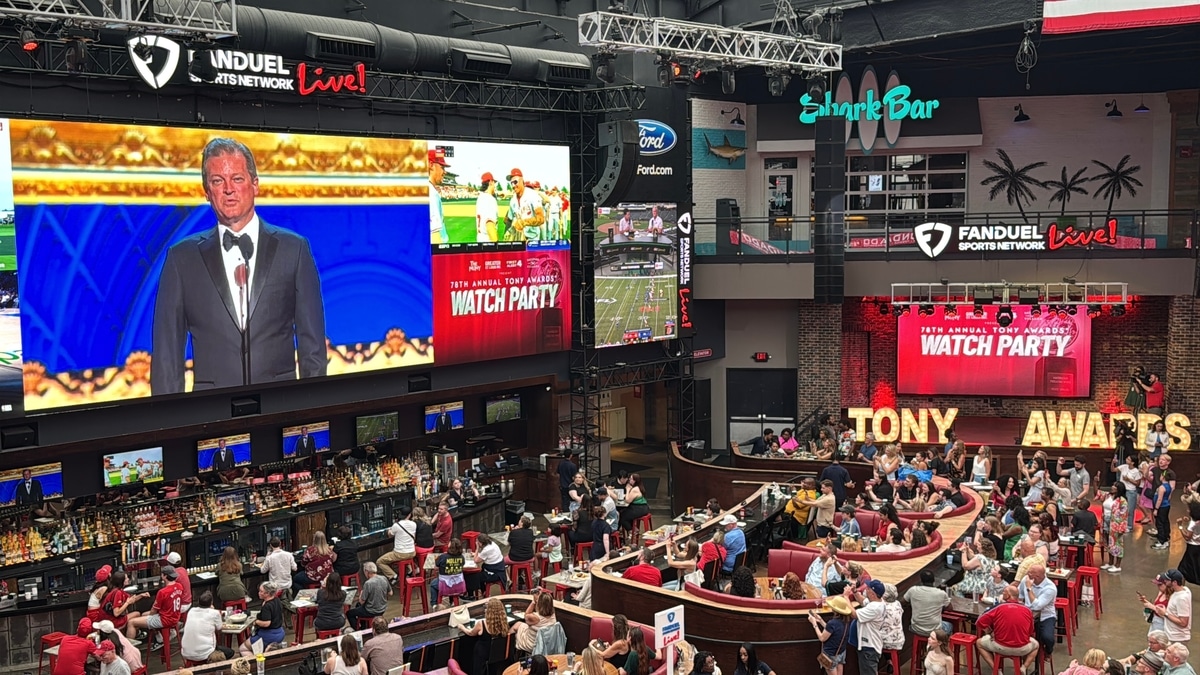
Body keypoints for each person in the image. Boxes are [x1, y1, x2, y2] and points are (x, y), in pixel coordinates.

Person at [152, 137, 325, 394]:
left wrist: (311, 410)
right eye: (217, 181)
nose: (228, 189)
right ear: (207, 192)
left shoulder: (294, 250)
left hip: (280, 405)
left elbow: (313, 349)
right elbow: (166, 357)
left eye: (237, 178)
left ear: (255, 184)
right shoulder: (182, 259)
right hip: (213, 410)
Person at [975, 584, 1039, 673]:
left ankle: (996, 670)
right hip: (1022, 648)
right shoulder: (1028, 610)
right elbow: (1030, 631)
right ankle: (1024, 667)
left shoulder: (998, 607)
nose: (1002, 594)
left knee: (979, 643)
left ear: (1008, 595)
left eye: (1004, 592)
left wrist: (990, 632)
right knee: (1036, 645)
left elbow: (979, 622)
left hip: (1000, 646)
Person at [125, 565, 183, 649]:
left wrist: (149, 617)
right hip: (175, 617)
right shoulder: (179, 586)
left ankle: (128, 650)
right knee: (143, 615)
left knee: (131, 622)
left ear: (164, 576)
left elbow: (153, 610)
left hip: (164, 620)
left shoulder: (162, 592)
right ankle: (161, 635)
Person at [457, 598, 516, 674]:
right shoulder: (503, 623)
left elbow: (470, 633)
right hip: (496, 655)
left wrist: (462, 627)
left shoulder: (481, 624)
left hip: (482, 656)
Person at [181, 591, 235, 663]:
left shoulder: (191, 611)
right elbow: (219, 627)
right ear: (211, 603)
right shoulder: (214, 613)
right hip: (205, 653)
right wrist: (212, 610)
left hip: (186, 652)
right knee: (230, 652)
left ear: (198, 602)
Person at [1019, 564, 1057, 659]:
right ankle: (1021, 653)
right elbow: (1020, 596)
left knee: (1047, 637)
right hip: (1027, 613)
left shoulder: (1050, 588)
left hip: (1045, 616)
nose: (1028, 573)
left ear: (1037, 577)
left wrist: (1029, 588)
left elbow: (1037, 606)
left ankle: (1048, 651)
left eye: (1030, 573)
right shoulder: (1026, 579)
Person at [851, 580, 888, 675]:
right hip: (871, 646)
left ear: (872, 594)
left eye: (868, 588)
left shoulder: (875, 608)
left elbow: (854, 614)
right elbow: (863, 601)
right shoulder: (878, 602)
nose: (866, 589)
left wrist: (846, 597)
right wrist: (855, 591)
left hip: (869, 648)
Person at [809, 595, 852, 675]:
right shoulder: (846, 621)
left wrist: (814, 624)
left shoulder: (832, 623)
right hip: (841, 652)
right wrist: (821, 621)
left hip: (831, 655)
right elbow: (832, 631)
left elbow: (822, 638)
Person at [239, 582, 285, 656]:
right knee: (260, 650)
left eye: (261, 591)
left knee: (243, 648)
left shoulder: (267, 606)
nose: (259, 593)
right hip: (280, 632)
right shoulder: (277, 600)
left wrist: (256, 622)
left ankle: (257, 661)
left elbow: (267, 623)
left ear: (267, 593)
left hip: (269, 635)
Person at [903, 571, 951, 637]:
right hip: (935, 630)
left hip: (916, 628)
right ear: (934, 580)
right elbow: (950, 608)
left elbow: (903, 602)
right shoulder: (941, 593)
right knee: (949, 625)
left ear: (921, 580)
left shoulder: (913, 590)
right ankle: (942, 643)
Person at [377, 506, 417, 583]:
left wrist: (389, 530)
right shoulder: (414, 524)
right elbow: (414, 537)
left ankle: (393, 576)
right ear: (409, 515)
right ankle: (410, 570)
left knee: (380, 561)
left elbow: (390, 535)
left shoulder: (396, 525)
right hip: (412, 552)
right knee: (403, 555)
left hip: (400, 554)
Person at [507, 167, 546, 242]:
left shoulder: (532, 195)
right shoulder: (513, 200)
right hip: (518, 238)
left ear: (522, 180)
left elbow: (541, 219)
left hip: (532, 239)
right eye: (511, 183)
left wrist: (524, 222)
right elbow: (509, 219)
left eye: (515, 182)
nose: (513, 185)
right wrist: (507, 232)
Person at [469, 533, 508, 598]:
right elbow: (486, 555)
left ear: (481, 543)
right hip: (500, 569)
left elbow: (476, 560)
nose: (477, 543)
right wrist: (476, 554)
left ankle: (476, 594)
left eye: (477, 542)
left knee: (475, 577)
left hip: (494, 574)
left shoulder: (486, 550)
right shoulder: (493, 544)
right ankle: (484, 591)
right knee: (480, 573)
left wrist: (477, 549)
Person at [1159, 569, 1193, 643]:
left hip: (1177, 638)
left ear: (1174, 582)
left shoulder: (1181, 599)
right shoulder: (1185, 589)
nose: (1165, 581)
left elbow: (1183, 623)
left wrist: (1165, 613)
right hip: (1172, 636)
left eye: (1167, 580)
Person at [430, 538, 466, 605]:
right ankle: (452, 601)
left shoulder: (443, 557)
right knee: (452, 578)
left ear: (450, 546)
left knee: (433, 584)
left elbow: (436, 567)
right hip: (458, 585)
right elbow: (462, 565)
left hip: (444, 586)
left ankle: (434, 604)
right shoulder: (462, 557)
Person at [1152, 455, 1178, 550]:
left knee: (1161, 522)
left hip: (1162, 504)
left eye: (1163, 460)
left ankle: (1162, 540)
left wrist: (1156, 508)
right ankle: (1165, 538)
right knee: (1164, 521)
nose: (1161, 461)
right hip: (1164, 504)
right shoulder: (1156, 470)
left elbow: (1160, 498)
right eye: (1160, 459)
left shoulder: (1163, 487)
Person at [1176, 500, 1200, 584]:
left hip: (1192, 547)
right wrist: (1189, 520)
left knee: (1183, 568)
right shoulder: (1195, 521)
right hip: (1198, 545)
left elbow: (1187, 537)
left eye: (1189, 509)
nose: (1187, 510)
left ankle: (1181, 586)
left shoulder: (1192, 524)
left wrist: (1180, 526)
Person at [428, 148, 449, 243]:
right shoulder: (431, 193)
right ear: (431, 165)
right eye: (442, 167)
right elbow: (434, 234)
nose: (445, 172)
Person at [475, 172, 499, 242]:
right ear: (491, 182)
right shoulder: (490, 199)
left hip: (480, 239)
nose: (494, 186)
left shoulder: (480, 197)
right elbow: (489, 225)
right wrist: (496, 244)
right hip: (488, 241)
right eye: (494, 183)